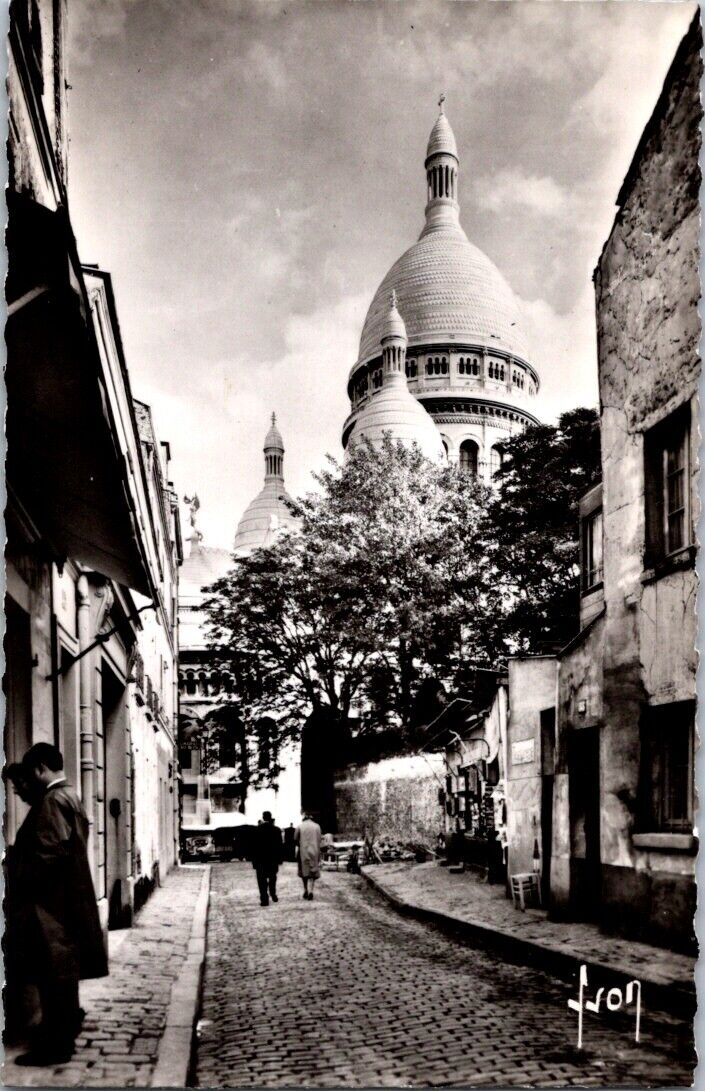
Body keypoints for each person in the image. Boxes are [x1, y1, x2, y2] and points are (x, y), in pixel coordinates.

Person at [12, 743, 107, 1066]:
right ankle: (60, 1038)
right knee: (61, 975)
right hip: (67, 900)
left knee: (53, 977)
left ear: (40, 768)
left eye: (31, 773)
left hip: (49, 905)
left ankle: (55, 1047)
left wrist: (18, 875)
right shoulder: (71, 796)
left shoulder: (53, 800)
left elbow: (48, 854)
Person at [251, 811, 283, 906]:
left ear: (263, 817)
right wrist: (279, 859)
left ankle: (264, 899)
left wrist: (254, 861)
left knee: (262, 880)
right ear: (270, 817)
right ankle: (273, 893)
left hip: (260, 860)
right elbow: (279, 846)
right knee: (272, 877)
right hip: (272, 859)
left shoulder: (257, 830)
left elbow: (253, 847)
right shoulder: (276, 830)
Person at [295, 811, 322, 901]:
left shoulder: (300, 826)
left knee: (304, 872)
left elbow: (295, 839)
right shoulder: (317, 826)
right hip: (314, 851)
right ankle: (311, 890)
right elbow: (319, 839)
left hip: (303, 852)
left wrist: (301, 845)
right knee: (313, 872)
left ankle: (305, 889)